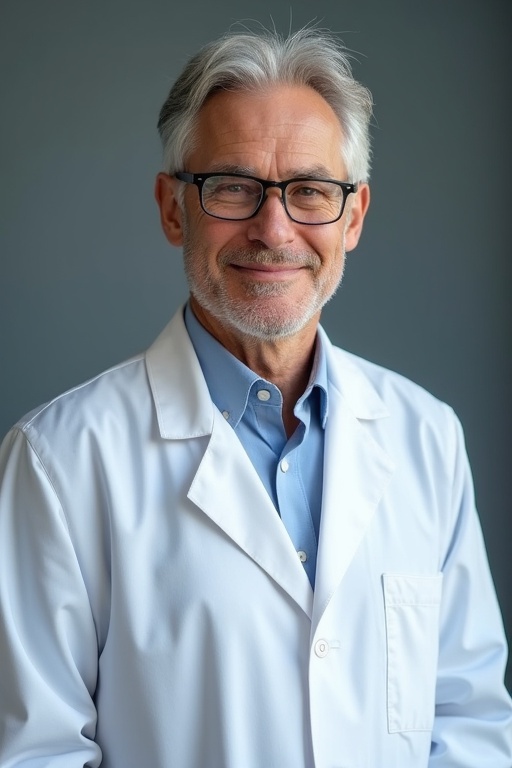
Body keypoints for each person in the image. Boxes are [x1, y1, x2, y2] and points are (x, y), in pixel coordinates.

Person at [0, 27, 511, 768]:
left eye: (310, 191)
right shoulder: (58, 463)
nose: (274, 230)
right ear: (174, 208)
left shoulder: (426, 436)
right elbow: (32, 755)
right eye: (234, 187)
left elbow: (469, 725)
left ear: (355, 217)